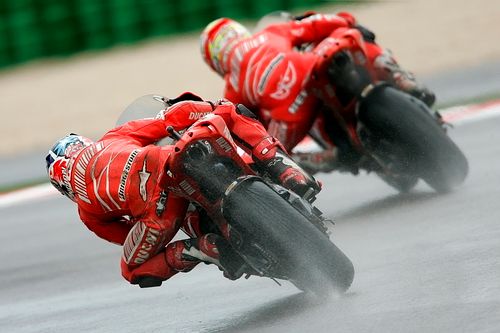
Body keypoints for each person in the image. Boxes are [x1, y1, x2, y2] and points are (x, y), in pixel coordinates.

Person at [45, 92, 320, 287]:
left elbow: (129, 237)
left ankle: (204, 249)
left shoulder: (87, 212)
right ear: (83, 144)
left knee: (132, 269)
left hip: (160, 214)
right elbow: (169, 119)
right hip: (167, 162)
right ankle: (287, 170)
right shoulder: (111, 138)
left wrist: (161, 225)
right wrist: (209, 106)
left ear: (62, 184)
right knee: (227, 110)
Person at [199, 12, 436, 173]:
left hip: (290, 114)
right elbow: (319, 23)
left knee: (270, 158)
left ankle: (325, 159)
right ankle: (399, 77)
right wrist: (348, 20)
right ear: (239, 32)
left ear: (215, 62)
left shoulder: (233, 83)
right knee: (351, 33)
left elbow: (239, 123)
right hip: (310, 68)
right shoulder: (270, 32)